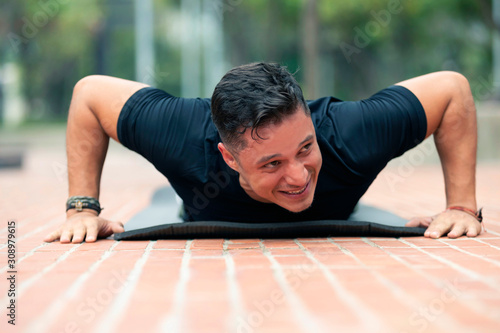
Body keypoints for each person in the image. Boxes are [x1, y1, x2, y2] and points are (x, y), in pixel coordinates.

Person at [44, 62, 483, 243]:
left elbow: (451, 90)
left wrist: (461, 205)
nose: (298, 175)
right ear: (229, 158)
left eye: (305, 149)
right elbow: (89, 96)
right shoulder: (182, 137)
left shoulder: (350, 135)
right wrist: (81, 208)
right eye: (271, 163)